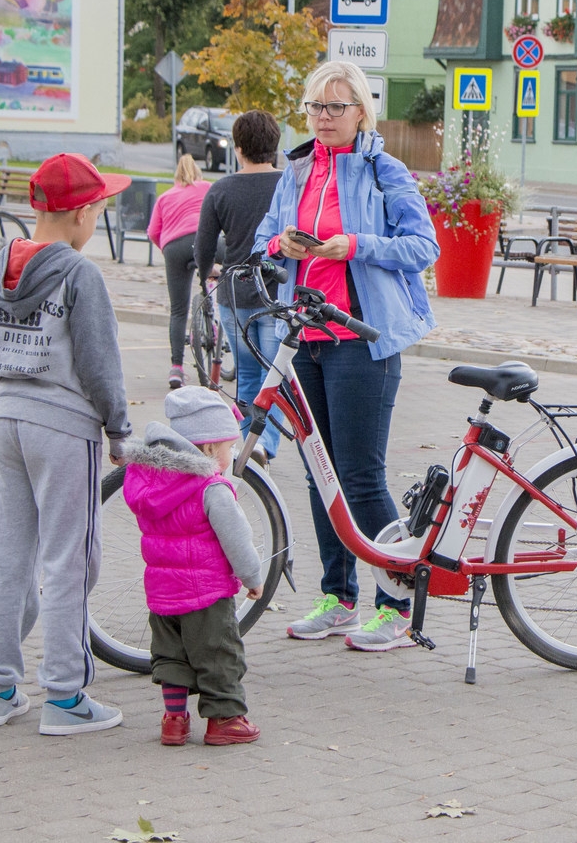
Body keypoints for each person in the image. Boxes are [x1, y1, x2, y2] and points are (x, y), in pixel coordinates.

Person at [254, 60, 438, 651]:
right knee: (320, 475)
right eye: (315, 107)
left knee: (359, 477)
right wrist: (278, 243)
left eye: (336, 107)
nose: (324, 118)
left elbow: (422, 246)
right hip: (304, 337)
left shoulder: (384, 170)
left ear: (361, 111)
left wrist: (355, 245)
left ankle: (397, 605)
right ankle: (338, 596)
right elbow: (263, 238)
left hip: (362, 337)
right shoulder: (297, 171)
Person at [0, 153, 133, 735]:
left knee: (8, 558)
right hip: (64, 427)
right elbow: (99, 361)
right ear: (81, 213)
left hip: (7, 418)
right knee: (71, 561)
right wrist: (118, 429)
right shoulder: (78, 274)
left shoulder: (1, 263)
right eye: (99, 210)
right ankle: (65, 697)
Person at [122, 387, 264, 747]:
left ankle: (174, 721)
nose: (231, 455)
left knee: (171, 656)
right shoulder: (211, 488)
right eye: (229, 448)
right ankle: (225, 719)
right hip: (206, 593)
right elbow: (237, 539)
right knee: (219, 656)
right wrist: (252, 577)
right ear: (209, 448)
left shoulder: (152, 481)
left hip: (162, 593)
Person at [194, 111, 284, 462]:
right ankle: (265, 444)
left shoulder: (221, 189)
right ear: (274, 146)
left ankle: (248, 443)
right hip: (277, 294)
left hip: (234, 293)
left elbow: (204, 245)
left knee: (246, 372)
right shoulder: (288, 185)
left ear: (238, 148)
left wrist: (207, 274)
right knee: (273, 374)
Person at [148, 154, 212, 389]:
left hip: (174, 247)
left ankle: (176, 368)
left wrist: (166, 249)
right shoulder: (207, 188)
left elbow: (153, 231)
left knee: (178, 310)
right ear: (198, 173)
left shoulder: (165, 197)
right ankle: (212, 306)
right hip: (201, 242)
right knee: (223, 265)